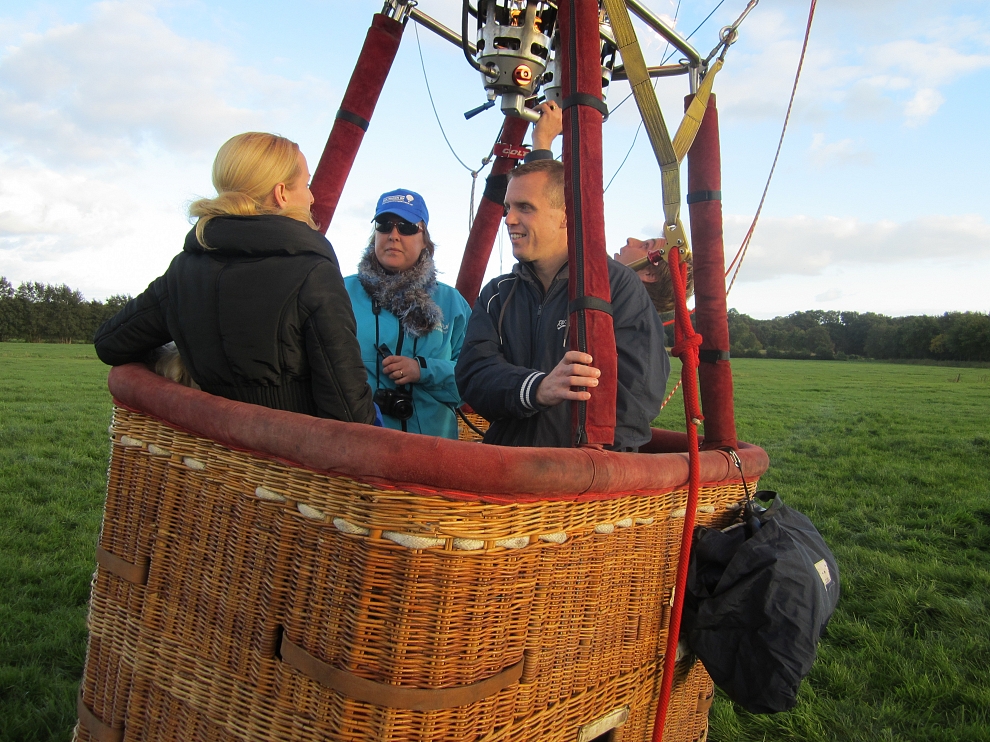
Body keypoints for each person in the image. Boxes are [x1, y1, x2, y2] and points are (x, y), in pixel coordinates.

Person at [94, 132, 377, 424]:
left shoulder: (182, 271)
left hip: (203, 444)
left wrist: (182, 361)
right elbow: (349, 412)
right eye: (306, 185)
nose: (312, 197)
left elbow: (110, 342)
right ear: (281, 194)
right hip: (284, 451)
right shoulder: (313, 275)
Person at [454, 153, 670, 450]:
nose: (509, 219)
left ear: (566, 215)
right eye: (508, 208)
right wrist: (536, 389)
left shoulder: (615, 287)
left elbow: (638, 394)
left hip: (582, 470)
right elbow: (473, 376)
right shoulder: (497, 294)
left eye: (524, 207)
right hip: (507, 466)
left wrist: (589, 465)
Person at [344, 190, 472, 437]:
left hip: (432, 450)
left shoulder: (452, 303)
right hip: (359, 444)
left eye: (407, 227)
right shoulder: (341, 292)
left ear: (424, 240)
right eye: (384, 225)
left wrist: (423, 370)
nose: (393, 235)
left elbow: (473, 379)